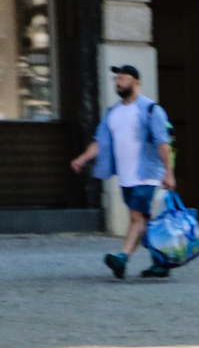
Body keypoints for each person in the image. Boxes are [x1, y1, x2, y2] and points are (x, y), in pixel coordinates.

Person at [70, 64, 177, 279]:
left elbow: (163, 144)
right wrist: (82, 159)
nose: (118, 83)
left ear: (136, 82)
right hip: (126, 177)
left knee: (136, 216)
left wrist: (169, 173)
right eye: (117, 79)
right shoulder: (113, 113)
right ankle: (162, 262)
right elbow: (100, 142)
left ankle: (122, 257)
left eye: (124, 78)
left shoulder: (150, 109)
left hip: (148, 174)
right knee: (143, 219)